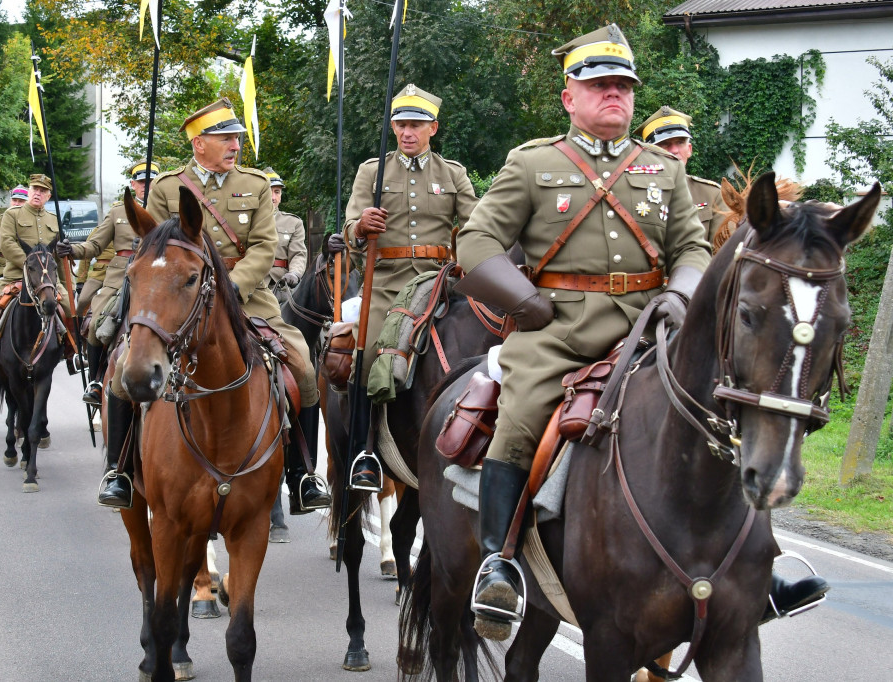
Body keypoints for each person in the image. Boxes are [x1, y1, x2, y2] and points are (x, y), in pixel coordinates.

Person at [456, 23, 829, 637]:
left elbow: (689, 246)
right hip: (557, 332)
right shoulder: (533, 164)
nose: (615, 96)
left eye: (624, 87)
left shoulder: (662, 168)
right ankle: (498, 564)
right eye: (599, 84)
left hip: (654, 327)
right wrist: (527, 305)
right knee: (521, 413)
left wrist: (680, 298)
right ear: (568, 95)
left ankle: (760, 565)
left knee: (724, 414)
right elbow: (475, 243)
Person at [105, 98, 328, 514]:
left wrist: (232, 288)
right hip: (178, 297)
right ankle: (117, 472)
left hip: (246, 297)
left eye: (236, 138)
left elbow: (264, 247)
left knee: (302, 367)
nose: (234, 145)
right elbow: (151, 249)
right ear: (198, 144)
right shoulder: (168, 188)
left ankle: (302, 476)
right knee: (122, 370)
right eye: (224, 138)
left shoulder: (256, 184)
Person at [342, 83, 479, 491]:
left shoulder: (453, 174)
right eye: (401, 124)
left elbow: (476, 228)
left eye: (416, 125)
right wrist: (361, 226)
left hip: (441, 283)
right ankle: (363, 453)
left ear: (432, 128)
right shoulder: (372, 171)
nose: (407, 132)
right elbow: (349, 229)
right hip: (387, 283)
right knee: (365, 357)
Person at [56, 161, 160, 406]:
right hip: (119, 277)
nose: (146, 187)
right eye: (141, 182)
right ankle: (96, 381)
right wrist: (72, 249)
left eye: (151, 182)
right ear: (133, 185)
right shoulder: (117, 211)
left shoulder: (165, 209)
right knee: (96, 324)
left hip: (154, 276)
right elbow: (94, 245)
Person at [0, 174, 83, 376]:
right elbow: (7, 243)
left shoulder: (54, 220)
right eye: (35, 190)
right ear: (29, 192)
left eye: (43, 191)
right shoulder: (12, 215)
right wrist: (30, 266)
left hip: (47, 280)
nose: (38, 193)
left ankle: (73, 354)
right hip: (15, 275)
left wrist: (68, 285)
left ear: (48, 196)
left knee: (69, 307)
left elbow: (57, 256)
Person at [636, 106, 725, 245]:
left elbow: (723, 253)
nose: (675, 150)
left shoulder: (711, 194)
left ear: (689, 149)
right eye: (664, 144)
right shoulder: (633, 193)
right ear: (648, 152)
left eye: (680, 142)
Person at [261, 167, 307, 298]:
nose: (273, 198)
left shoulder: (293, 222)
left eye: (277, 192)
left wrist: (295, 273)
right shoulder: (246, 220)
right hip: (253, 282)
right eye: (268, 192)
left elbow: (298, 254)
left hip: (282, 284)